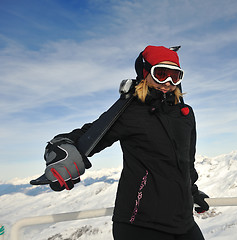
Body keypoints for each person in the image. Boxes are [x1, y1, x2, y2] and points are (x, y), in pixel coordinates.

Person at [41, 45, 210, 240]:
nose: (168, 82)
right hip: (139, 224)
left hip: (183, 221)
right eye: (161, 74)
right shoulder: (130, 112)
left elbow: (187, 163)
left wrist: (192, 192)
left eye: (175, 75)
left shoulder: (185, 114)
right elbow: (91, 134)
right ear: (145, 73)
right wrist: (61, 146)